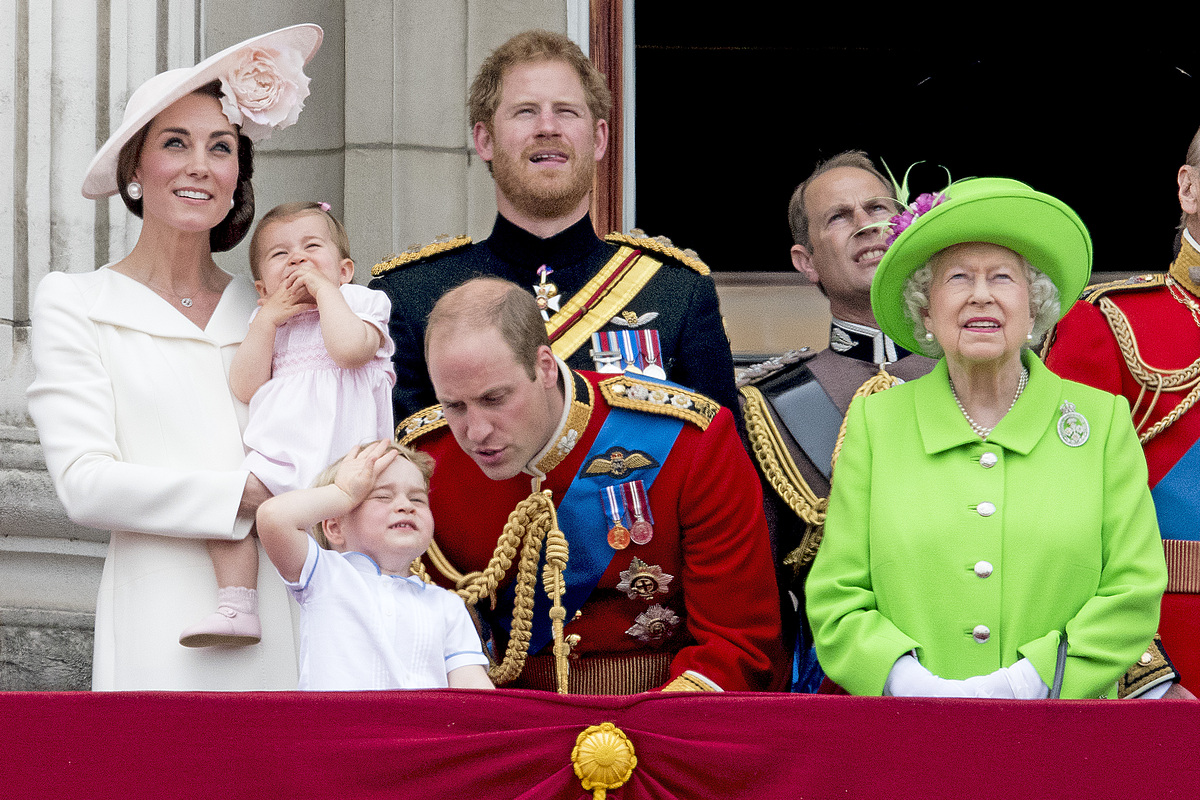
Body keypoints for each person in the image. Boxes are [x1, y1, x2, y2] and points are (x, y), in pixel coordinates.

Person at [26, 25, 323, 690]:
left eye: (221, 147)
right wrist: (242, 494)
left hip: (283, 610)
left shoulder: (271, 306)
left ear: (237, 171)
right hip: (157, 620)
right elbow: (84, 482)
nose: (200, 165)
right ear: (136, 166)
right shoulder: (77, 302)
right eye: (175, 143)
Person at [806, 177, 1168, 699]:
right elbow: (836, 596)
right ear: (927, 312)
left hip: (1064, 739)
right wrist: (910, 685)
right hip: (910, 739)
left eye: (1002, 278)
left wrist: (1027, 682)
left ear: (1034, 308)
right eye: (957, 279)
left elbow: (1132, 592)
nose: (981, 296)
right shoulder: (876, 425)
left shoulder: (1102, 423)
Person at [400, 277, 782, 694]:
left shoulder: (687, 440)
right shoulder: (426, 460)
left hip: (668, 714)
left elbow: (738, 642)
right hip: (506, 716)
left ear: (544, 367)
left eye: (495, 399)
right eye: (454, 405)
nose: (476, 431)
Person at [369, 29, 738, 423]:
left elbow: (725, 469)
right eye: (525, 111)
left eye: (566, 110)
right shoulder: (407, 298)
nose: (548, 127)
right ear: (485, 140)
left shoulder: (675, 292)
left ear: (598, 139)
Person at [739, 151, 936, 690]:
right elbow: (760, 589)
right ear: (806, 262)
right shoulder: (770, 401)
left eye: (879, 207)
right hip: (833, 682)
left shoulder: (975, 374)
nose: (867, 223)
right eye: (839, 216)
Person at [177, 201, 396, 647]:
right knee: (223, 506)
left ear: (345, 269)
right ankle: (237, 603)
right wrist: (269, 320)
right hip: (283, 454)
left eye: (311, 247)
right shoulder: (266, 320)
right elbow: (244, 385)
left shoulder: (361, 302)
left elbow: (350, 350)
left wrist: (327, 294)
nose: (296, 258)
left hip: (345, 458)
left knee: (357, 541)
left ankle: (366, 620)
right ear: (262, 287)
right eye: (280, 254)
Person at [1043, 126, 1200, 695]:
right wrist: (1146, 676)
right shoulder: (1106, 322)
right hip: (1170, 659)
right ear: (1188, 188)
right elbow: (1057, 516)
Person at [255, 440, 493, 690]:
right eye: (382, 496)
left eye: (418, 499)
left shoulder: (448, 606)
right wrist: (343, 493)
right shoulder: (324, 576)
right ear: (335, 527)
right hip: (341, 727)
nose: (405, 506)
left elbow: (472, 689)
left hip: (420, 729)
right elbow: (274, 518)